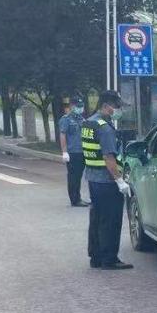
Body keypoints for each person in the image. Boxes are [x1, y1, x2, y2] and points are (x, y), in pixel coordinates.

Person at [82, 90, 133, 270]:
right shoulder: (105, 128)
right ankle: (109, 259)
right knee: (111, 220)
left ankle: (95, 257)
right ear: (106, 106)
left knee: (97, 218)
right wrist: (120, 181)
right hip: (107, 181)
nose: (118, 110)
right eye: (117, 106)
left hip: (93, 179)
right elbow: (108, 157)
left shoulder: (89, 122)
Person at [58, 98, 89, 207]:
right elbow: (62, 135)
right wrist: (64, 152)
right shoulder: (66, 119)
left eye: (81, 106)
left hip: (82, 151)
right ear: (72, 106)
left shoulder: (82, 119)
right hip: (72, 152)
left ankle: (78, 197)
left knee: (79, 176)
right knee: (73, 177)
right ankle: (74, 199)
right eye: (78, 106)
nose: (80, 108)